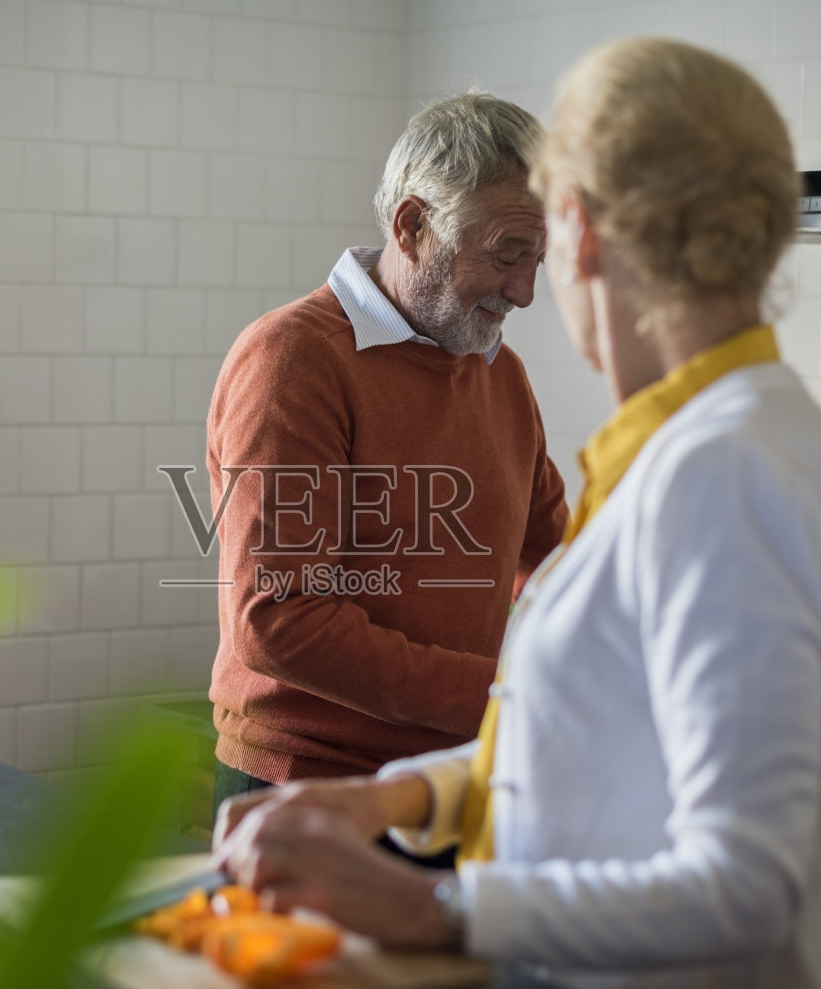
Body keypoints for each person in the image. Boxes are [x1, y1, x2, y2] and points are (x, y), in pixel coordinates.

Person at [215, 38, 821, 989]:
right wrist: (405, 796)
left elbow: (742, 883)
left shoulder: (723, 469)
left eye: (537, 245)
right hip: (351, 804)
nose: (525, 288)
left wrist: (433, 902)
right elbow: (582, 714)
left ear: (578, 231)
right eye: (503, 250)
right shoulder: (718, 444)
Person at [203, 91, 568, 816]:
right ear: (413, 226)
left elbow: (556, 555)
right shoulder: (294, 361)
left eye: (538, 260)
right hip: (305, 789)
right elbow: (280, 620)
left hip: (452, 779)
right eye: (506, 254)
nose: (524, 293)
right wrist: (505, 699)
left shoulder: (499, 372)